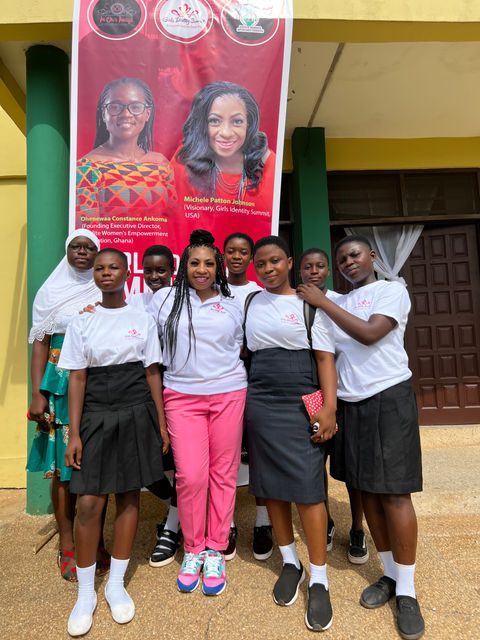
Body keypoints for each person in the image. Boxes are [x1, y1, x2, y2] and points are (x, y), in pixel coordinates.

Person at [297, 236, 424, 640]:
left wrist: (322, 301)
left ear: (371, 257)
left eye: (354, 255)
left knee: (395, 494)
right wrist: (329, 407)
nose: (348, 262)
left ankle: (408, 591)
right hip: (351, 406)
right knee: (366, 491)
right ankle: (389, 575)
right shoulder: (336, 302)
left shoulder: (391, 291)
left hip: (389, 397)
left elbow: (371, 333)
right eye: (342, 259)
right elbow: (327, 357)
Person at [59, 248, 168, 637]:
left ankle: (117, 585)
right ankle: (85, 593)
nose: (106, 273)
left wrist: (161, 424)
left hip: (137, 408)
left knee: (128, 496)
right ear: (94, 275)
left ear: (126, 272)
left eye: (114, 267)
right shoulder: (82, 322)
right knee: (89, 502)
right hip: (96, 412)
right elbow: (77, 378)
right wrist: (74, 432)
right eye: (100, 268)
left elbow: (152, 372)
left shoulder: (142, 318)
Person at [244, 236, 337, 632]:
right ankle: (290, 562)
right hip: (260, 401)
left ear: (289, 262)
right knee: (272, 487)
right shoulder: (250, 302)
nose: (268, 269)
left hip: (302, 398)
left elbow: (325, 358)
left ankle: (319, 579)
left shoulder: (308, 304)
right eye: (261, 263)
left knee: (309, 490)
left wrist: (329, 407)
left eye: (275, 261)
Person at [148, 229, 247, 596]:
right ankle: (192, 549)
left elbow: (240, 347)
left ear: (218, 266)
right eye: (194, 263)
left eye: (208, 263)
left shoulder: (233, 303)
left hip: (229, 395)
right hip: (181, 397)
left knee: (224, 474)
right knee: (190, 476)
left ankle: (215, 549)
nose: (201, 269)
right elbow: (139, 333)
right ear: (184, 266)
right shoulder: (164, 300)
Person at [26, 229, 109, 581]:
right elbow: (40, 344)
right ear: (67, 250)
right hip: (59, 387)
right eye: (76, 246)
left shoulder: (106, 288)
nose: (83, 252)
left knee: (98, 463)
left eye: (90, 247)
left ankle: (96, 539)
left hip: (99, 385)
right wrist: (37, 393)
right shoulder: (50, 292)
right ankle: (67, 543)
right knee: (63, 467)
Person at [299, 248, 368, 564]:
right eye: (308, 267)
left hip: (345, 393)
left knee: (353, 466)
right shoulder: (294, 302)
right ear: (299, 271)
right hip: (310, 394)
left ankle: (357, 528)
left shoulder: (344, 302)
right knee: (317, 461)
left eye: (320, 266)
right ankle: (325, 521)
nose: (314, 271)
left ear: (329, 271)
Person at [127, 245, 182, 568]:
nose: (154, 276)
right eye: (148, 270)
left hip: (175, 384)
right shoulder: (136, 301)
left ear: (173, 270)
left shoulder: (183, 299)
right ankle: (182, 509)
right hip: (143, 385)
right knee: (146, 462)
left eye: (161, 270)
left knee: (177, 461)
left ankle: (173, 527)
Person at [222, 232, 273, 562]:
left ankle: (263, 521)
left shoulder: (258, 293)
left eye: (243, 252)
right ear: (223, 255)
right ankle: (225, 524)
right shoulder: (213, 290)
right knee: (224, 455)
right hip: (222, 382)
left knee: (258, 452)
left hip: (256, 377)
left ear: (251, 258)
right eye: (231, 251)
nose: (237, 257)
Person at [76, 77, 177, 227]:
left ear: (147, 113)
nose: (126, 114)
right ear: (103, 114)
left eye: (135, 107)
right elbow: (87, 231)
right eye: (115, 107)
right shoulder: (87, 167)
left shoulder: (161, 164)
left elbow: (175, 224)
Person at [170, 82, 275, 223]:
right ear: (202, 124)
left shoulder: (268, 164)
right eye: (215, 121)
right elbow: (176, 223)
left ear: (249, 124)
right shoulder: (184, 161)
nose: (226, 133)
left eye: (237, 121)